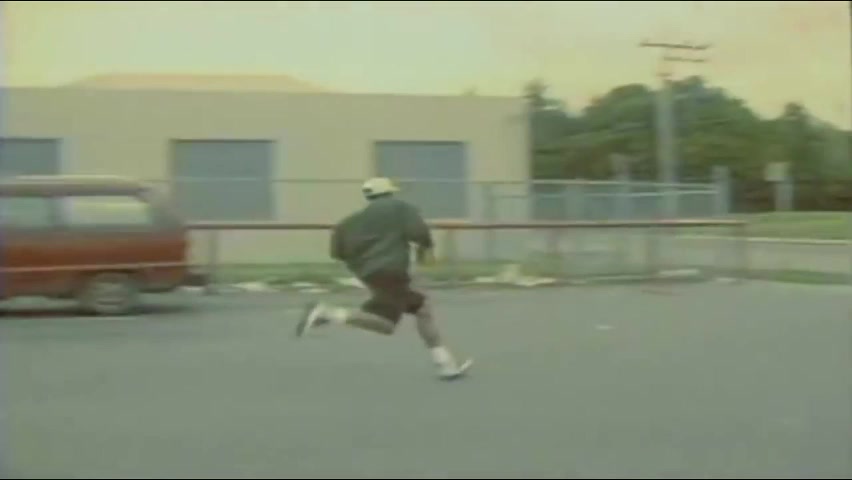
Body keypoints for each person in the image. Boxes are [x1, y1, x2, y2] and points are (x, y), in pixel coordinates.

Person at [295, 177, 472, 380]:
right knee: (386, 324)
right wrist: (426, 251)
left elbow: (337, 252)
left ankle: (445, 363)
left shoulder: (348, 223)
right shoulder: (400, 208)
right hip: (393, 271)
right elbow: (419, 233)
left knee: (421, 310)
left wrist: (363, 264)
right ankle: (328, 313)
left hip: (370, 275)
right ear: (390, 193)